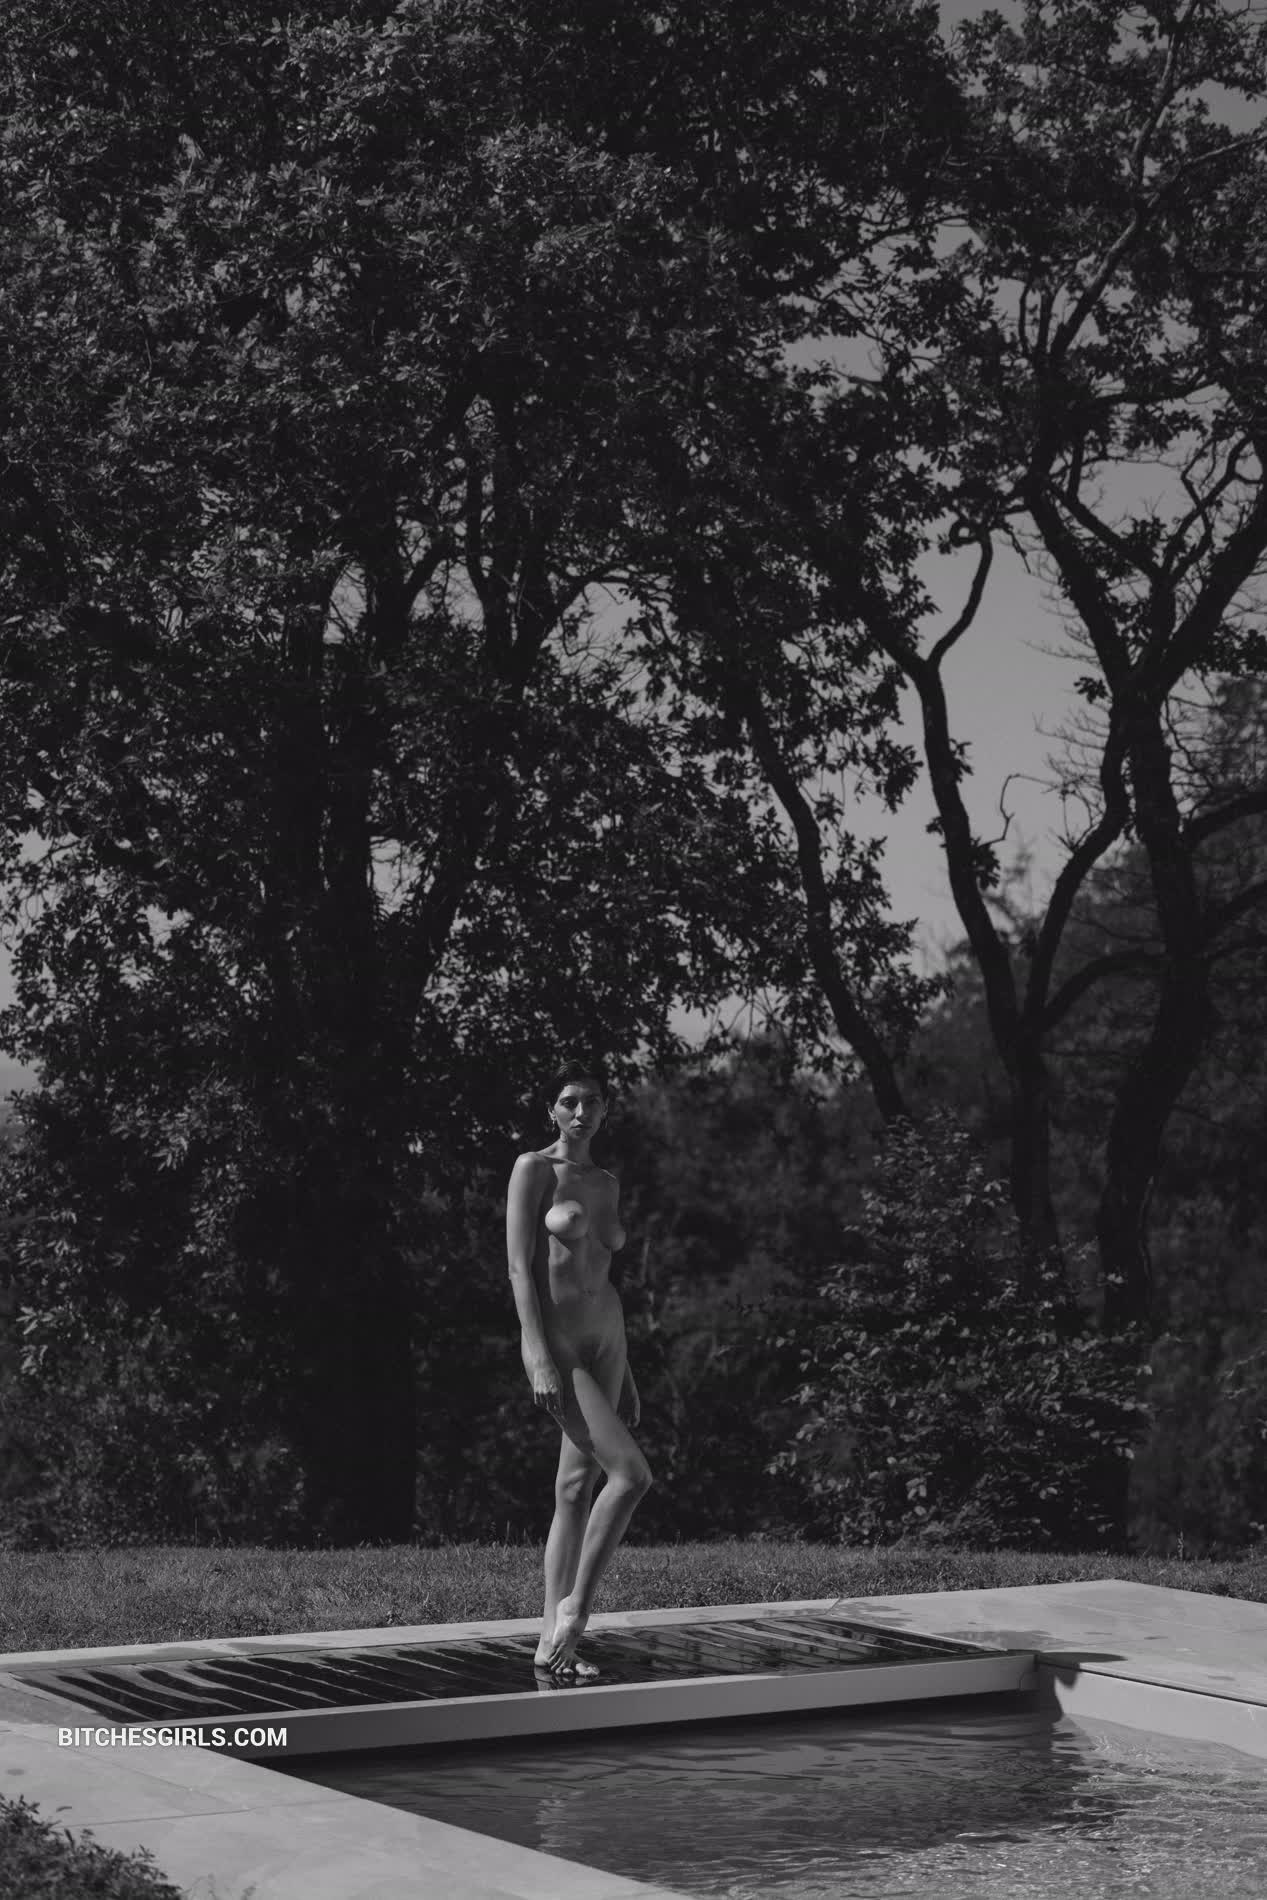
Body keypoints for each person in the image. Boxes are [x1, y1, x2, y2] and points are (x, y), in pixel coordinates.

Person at [505, 1061, 652, 1677]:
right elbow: (520, 1268)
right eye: (569, 1101)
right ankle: (575, 1612)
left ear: (606, 1110)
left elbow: (603, 1273)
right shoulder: (533, 1168)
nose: (581, 1111)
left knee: (574, 1489)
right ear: (552, 1109)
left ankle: (549, 1643)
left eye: (592, 1101)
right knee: (632, 1476)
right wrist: (535, 1351)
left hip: (609, 1341)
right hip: (561, 1346)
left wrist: (629, 1369)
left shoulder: (607, 1182)